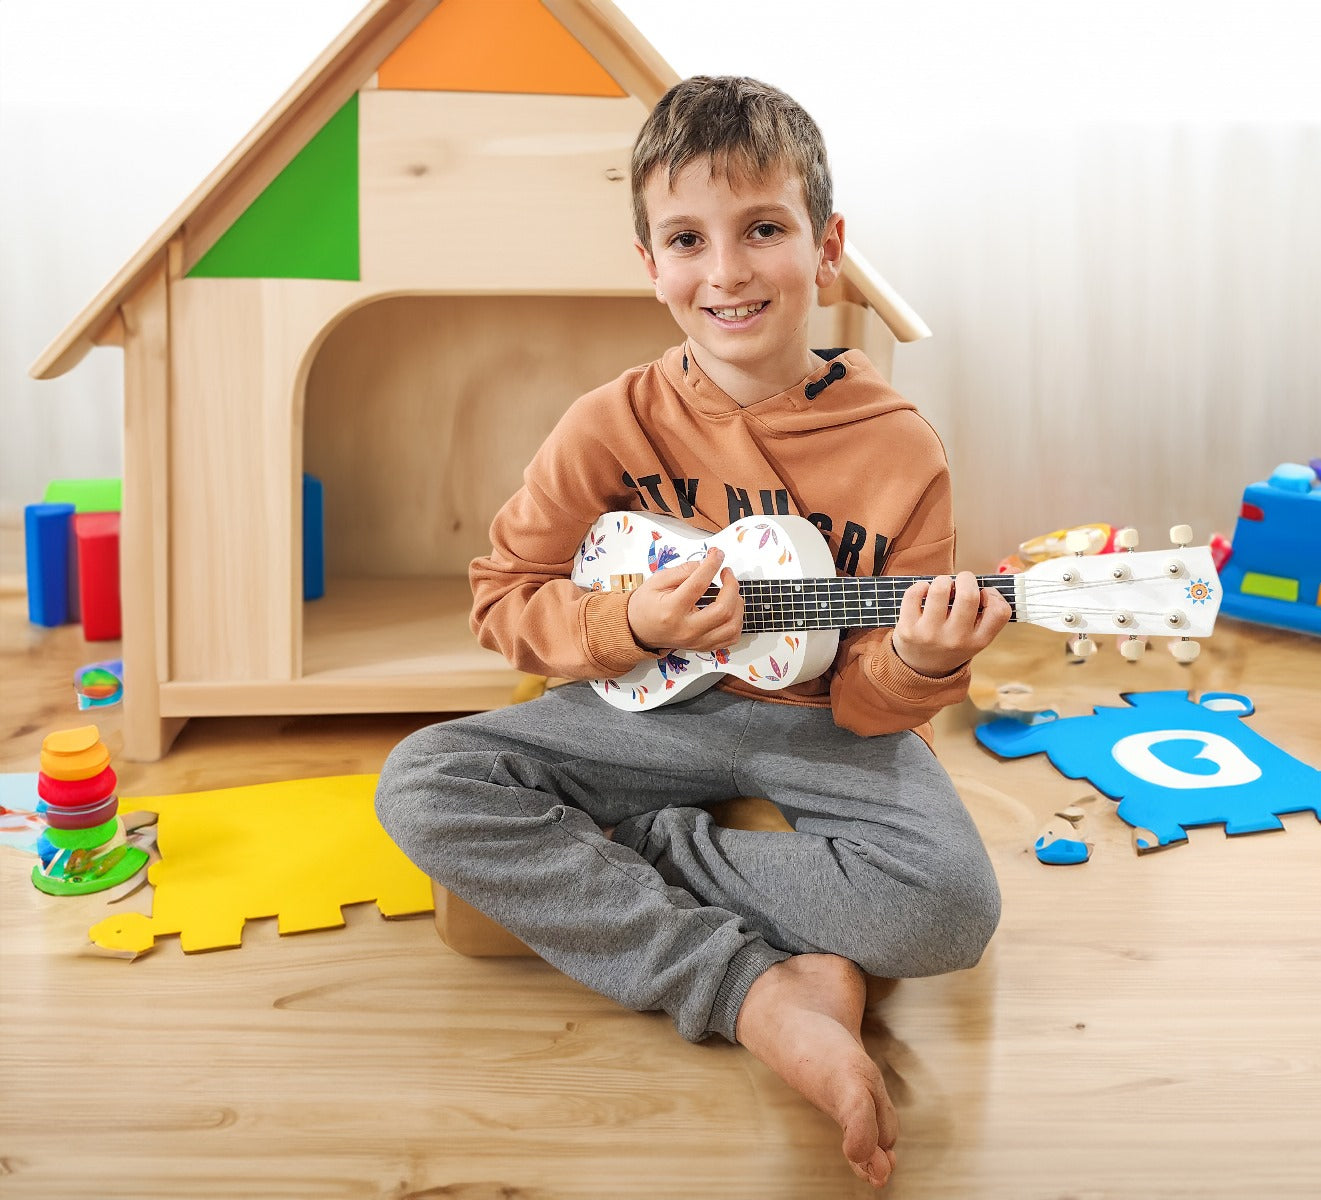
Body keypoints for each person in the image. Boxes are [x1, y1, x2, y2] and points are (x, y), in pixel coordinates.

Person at [375, 75, 1009, 1190]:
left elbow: (868, 698)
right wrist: (628, 621)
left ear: (825, 248)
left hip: (824, 730)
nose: (725, 271)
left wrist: (918, 660)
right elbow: (500, 593)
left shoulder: (902, 447)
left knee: (954, 909)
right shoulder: (607, 423)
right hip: (645, 711)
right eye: (686, 238)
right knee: (422, 780)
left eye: (762, 229)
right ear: (650, 263)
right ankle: (755, 994)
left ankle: (654, 851)